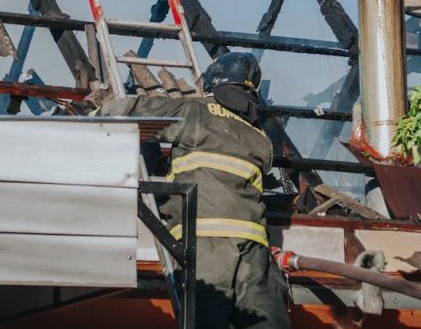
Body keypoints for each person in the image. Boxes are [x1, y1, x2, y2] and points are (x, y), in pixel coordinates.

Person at [100, 52, 291, 328]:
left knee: (206, 318)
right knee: (264, 320)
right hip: (254, 248)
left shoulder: (195, 113)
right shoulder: (260, 138)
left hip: (207, 244)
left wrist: (92, 117)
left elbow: (137, 111)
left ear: (216, 82)